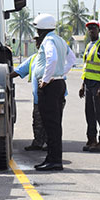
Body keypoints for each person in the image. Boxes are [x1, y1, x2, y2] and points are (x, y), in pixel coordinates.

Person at [31, 13, 76, 172]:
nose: (37, 33)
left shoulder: (48, 41)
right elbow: (72, 59)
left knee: (51, 125)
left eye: (37, 29)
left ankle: (55, 161)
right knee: (54, 125)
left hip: (50, 86)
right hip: (58, 83)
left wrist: (46, 78)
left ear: (42, 29)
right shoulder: (60, 40)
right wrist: (60, 74)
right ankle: (51, 158)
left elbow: (52, 58)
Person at [79, 20, 100, 152]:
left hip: (98, 84)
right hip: (88, 83)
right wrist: (82, 84)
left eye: (94, 28)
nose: (91, 30)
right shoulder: (89, 46)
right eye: (89, 28)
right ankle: (91, 139)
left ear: (98, 30)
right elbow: (86, 67)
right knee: (90, 113)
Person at [10, 37, 47, 151]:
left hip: (51, 97)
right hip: (38, 98)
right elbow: (18, 71)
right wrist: (4, 76)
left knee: (50, 122)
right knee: (37, 121)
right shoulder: (34, 58)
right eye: (37, 41)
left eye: (39, 41)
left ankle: (51, 143)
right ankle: (38, 143)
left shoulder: (50, 58)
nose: (38, 43)